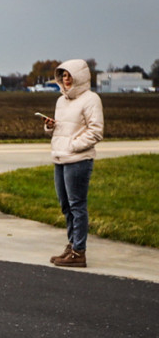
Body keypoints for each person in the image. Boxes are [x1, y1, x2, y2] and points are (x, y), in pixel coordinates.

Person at [41, 59, 104, 268]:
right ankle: (72, 245)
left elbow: (96, 131)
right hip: (59, 157)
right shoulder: (61, 101)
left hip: (78, 159)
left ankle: (79, 251)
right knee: (65, 205)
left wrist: (72, 145)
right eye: (63, 76)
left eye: (70, 75)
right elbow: (63, 128)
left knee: (77, 205)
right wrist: (50, 127)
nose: (66, 80)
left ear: (81, 76)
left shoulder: (91, 99)